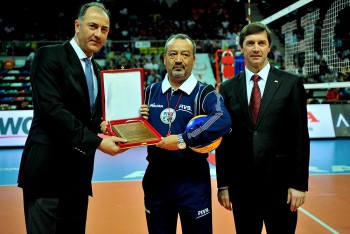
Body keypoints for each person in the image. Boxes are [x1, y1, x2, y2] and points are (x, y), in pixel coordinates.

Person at [17, 3, 135, 233]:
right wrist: (99, 142)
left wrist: (125, 119)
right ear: (77, 25)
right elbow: (53, 111)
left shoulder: (99, 71)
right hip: (46, 177)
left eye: (104, 29)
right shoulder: (49, 56)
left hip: (78, 180)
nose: (98, 34)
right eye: (92, 26)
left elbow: (95, 119)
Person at [215, 22, 310, 234]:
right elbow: (224, 141)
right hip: (243, 189)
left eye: (261, 43)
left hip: (282, 187)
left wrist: (299, 184)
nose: (256, 48)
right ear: (241, 48)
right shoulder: (228, 88)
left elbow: (300, 137)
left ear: (269, 47)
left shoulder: (290, 84)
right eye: (250, 43)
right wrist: (224, 185)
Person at [142, 34, 231, 233]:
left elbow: (223, 119)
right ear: (164, 59)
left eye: (185, 54)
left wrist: (183, 139)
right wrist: (113, 125)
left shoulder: (205, 92)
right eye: (173, 54)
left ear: (193, 59)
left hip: (193, 183)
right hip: (157, 183)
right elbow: (127, 124)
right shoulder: (148, 92)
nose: (179, 59)